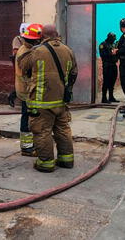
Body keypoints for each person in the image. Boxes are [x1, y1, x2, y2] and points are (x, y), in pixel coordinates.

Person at [18, 24, 78, 173]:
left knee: (42, 131)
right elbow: (74, 73)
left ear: (42, 37)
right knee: (63, 129)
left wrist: (28, 45)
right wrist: (65, 89)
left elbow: (23, 65)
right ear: (56, 34)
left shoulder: (38, 51)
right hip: (61, 100)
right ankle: (66, 160)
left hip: (41, 102)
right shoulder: (68, 50)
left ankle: (46, 163)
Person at [13, 23, 43, 156]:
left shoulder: (26, 48)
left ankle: (30, 144)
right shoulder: (26, 52)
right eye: (38, 40)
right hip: (27, 91)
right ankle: (26, 148)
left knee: (30, 116)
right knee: (28, 117)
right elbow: (31, 72)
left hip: (26, 90)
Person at [99, 32, 119, 104]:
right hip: (107, 66)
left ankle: (111, 97)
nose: (114, 40)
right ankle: (104, 98)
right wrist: (112, 53)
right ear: (109, 38)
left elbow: (116, 54)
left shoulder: (113, 44)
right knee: (106, 82)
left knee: (112, 81)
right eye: (113, 39)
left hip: (113, 65)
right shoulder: (102, 44)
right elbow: (103, 55)